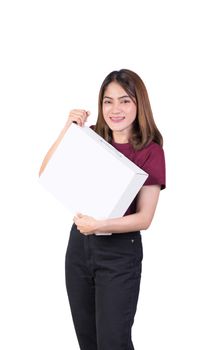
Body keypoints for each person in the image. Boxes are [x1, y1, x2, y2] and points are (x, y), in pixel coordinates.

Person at [39, 69, 166, 350]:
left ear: (138, 104)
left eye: (124, 100)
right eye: (108, 101)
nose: (115, 109)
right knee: (89, 342)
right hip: (79, 247)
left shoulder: (150, 150)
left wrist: (98, 226)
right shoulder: (92, 136)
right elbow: (47, 171)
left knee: (113, 343)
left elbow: (144, 218)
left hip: (120, 253)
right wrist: (67, 130)